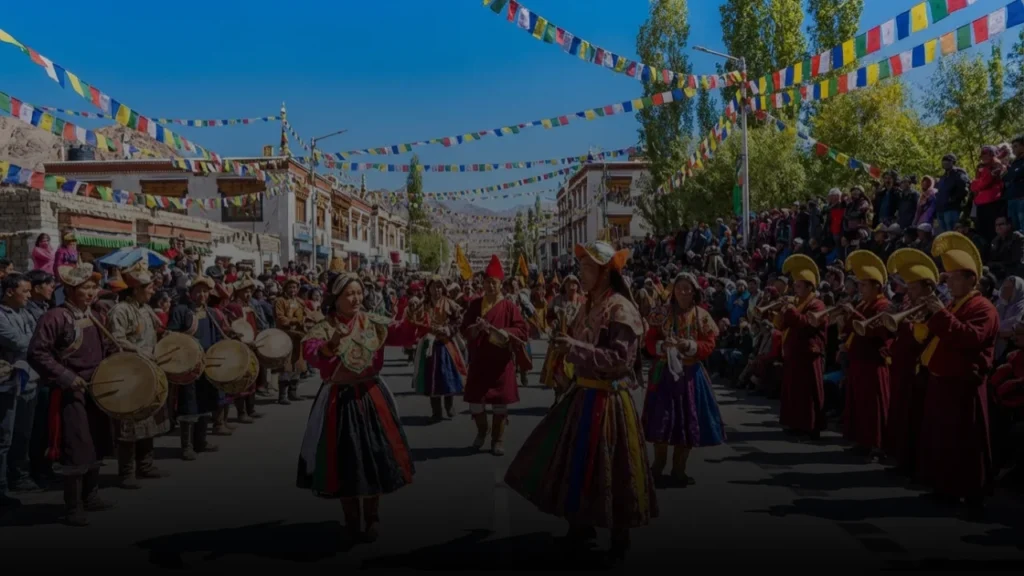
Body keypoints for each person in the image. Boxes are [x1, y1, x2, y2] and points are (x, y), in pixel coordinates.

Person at [505, 241, 655, 564]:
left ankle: (619, 534)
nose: (580, 274)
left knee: (613, 466)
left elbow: (620, 360)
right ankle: (580, 524)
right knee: (576, 461)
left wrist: (573, 347)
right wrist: (562, 359)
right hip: (582, 394)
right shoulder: (587, 305)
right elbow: (575, 346)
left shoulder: (621, 309)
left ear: (603, 272)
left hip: (610, 399)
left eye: (586, 268)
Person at [297, 273, 417, 544]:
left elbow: (400, 332)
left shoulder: (372, 323)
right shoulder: (323, 327)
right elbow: (312, 354)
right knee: (345, 461)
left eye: (358, 293)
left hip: (371, 396)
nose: (356, 298)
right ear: (335, 299)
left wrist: (414, 319)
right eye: (349, 294)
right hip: (338, 400)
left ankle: (373, 517)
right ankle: (351, 520)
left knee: (375, 456)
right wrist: (333, 343)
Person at [28, 263, 116, 526]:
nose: (90, 292)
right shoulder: (55, 317)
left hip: (97, 389)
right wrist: (66, 377)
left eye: (92, 287)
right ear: (68, 289)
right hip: (71, 392)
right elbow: (37, 353)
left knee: (97, 441)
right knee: (76, 447)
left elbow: (108, 347)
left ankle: (92, 496)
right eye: (84, 288)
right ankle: (73, 506)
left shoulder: (98, 315)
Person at [918, 232, 998, 518]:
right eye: (948, 278)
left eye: (954, 278)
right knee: (941, 438)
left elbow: (970, 338)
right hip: (942, 378)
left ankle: (971, 490)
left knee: (966, 440)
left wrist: (940, 315)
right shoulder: (953, 305)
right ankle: (944, 486)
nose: (948, 283)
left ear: (971, 281)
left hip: (964, 383)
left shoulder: (983, 308)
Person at [643, 272, 725, 486]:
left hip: (690, 375)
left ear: (695, 291)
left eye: (688, 288)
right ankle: (658, 465)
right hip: (664, 374)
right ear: (673, 290)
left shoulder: (702, 315)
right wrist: (663, 346)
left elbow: (709, 344)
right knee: (661, 421)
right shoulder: (661, 313)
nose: (683, 292)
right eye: (679, 287)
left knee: (688, 422)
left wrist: (690, 346)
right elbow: (650, 340)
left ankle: (679, 469)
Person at [106, 260, 171, 489]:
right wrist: (141, 351)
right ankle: (126, 472)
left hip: (150, 369)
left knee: (148, 417)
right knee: (130, 424)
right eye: (149, 287)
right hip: (130, 372)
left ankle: (146, 464)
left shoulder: (145, 309)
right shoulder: (120, 311)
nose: (153, 290)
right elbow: (116, 339)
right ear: (135, 289)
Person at [460, 256, 529, 455]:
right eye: (487, 282)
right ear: (483, 283)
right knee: (475, 403)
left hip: (501, 362)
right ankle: (483, 430)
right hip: (479, 361)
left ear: (500, 284)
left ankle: (498, 439)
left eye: (494, 283)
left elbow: (522, 330)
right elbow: (465, 328)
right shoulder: (475, 305)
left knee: (500, 404)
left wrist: (502, 333)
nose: (490, 286)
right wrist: (475, 328)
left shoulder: (508, 306)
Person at [882, 248, 939, 478]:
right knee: (901, 415)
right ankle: (901, 459)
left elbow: (924, 339)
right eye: (910, 288)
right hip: (902, 366)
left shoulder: (934, 310)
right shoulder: (910, 306)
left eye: (914, 288)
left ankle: (914, 465)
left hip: (918, 371)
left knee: (915, 419)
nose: (911, 293)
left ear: (928, 288)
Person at [167, 274, 227, 460]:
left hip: (207, 364)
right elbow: (173, 336)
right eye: (198, 291)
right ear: (191, 293)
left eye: (205, 291)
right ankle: (187, 446)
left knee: (206, 402)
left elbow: (217, 338)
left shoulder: (212, 312)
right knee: (189, 404)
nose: (202, 295)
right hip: (189, 365)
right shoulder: (181, 310)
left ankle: (201, 442)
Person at [842, 250, 893, 461]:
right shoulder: (863, 304)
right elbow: (852, 328)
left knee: (874, 404)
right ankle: (863, 441)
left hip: (874, 361)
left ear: (877, 287)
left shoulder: (884, 306)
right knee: (860, 403)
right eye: (860, 285)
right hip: (859, 359)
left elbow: (878, 331)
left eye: (864, 285)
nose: (860, 289)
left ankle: (878, 444)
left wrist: (853, 313)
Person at [0, 273, 41, 510]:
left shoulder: (24, 313)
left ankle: (19, 476)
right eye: (24, 291)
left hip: (28, 381)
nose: (28, 295)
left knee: (23, 434)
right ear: (9, 292)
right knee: (4, 438)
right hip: (7, 382)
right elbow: (22, 342)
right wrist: (36, 340)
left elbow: (38, 337)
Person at [776, 254, 828, 440]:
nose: (795, 290)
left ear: (809, 287)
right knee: (793, 391)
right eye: (795, 286)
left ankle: (811, 427)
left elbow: (806, 324)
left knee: (807, 393)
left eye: (799, 286)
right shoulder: (797, 303)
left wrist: (790, 310)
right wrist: (782, 312)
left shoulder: (817, 304)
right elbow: (782, 326)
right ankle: (795, 424)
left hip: (809, 354)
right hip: (794, 353)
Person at [410, 275, 465, 422]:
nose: (437, 290)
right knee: (430, 377)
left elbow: (458, 320)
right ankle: (436, 410)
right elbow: (414, 320)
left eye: (439, 287)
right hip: (429, 345)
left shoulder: (450, 304)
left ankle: (449, 405)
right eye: (434, 287)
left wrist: (447, 329)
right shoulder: (423, 304)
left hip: (446, 344)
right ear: (429, 289)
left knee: (447, 375)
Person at [224, 275, 265, 423]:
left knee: (252, 378)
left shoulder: (250, 306)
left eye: (250, 291)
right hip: (241, 347)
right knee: (242, 380)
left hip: (252, 345)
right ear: (238, 291)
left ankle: (251, 409)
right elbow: (234, 329)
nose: (248, 294)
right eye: (245, 291)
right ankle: (241, 413)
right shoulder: (233, 307)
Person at [273, 277, 306, 405]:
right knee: (285, 366)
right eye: (290, 287)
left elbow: (305, 316)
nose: (293, 290)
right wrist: (295, 321)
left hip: (298, 336)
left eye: (295, 287)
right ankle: (283, 395)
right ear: (285, 289)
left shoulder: (299, 302)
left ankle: (293, 392)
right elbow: (280, 318)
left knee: (297, 364)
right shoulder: (280, 301)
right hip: (285, 336)